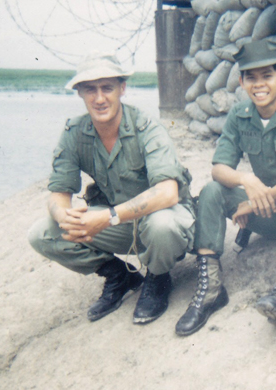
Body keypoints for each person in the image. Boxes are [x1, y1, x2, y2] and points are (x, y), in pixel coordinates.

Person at [28, 51, 195, 325]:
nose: (99, 98)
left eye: (107, 88)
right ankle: (119, 275)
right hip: (120, 224)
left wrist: (106, 217)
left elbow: (168, 192)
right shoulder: (75, 133)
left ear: (122, 89)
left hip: (164, 221)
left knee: (162, 224)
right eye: (90, 89)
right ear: (79, 92)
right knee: (42, 234)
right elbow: (58, 194)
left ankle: (158, 277)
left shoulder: (147, 128)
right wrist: (63, 216)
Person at [175, 39, 276, 337]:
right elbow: (219, 168)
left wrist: (255, 201)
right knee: (212, 191)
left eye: (267, 76)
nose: (259, 85)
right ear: (241, 81)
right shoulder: (240, 114)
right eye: (250, 78)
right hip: (269, 214)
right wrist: (247, 181)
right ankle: (211, 290)